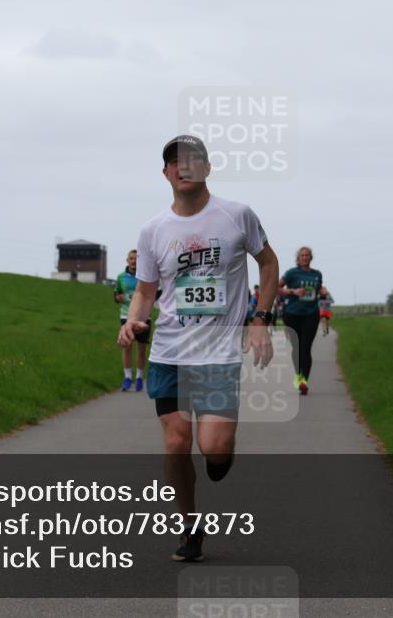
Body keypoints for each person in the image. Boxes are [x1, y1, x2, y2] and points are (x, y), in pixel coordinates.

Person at [118, 134, 278, 562]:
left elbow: (268, 263)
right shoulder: (154, 230)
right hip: (169, 352)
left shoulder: (237, 216)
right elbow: (146, 290)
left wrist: (260, 319)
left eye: (193, 160)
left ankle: (221, 456)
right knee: (176, 443)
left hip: (218, 355)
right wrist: (133, 319)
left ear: (207, 168)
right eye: (175, 161)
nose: (183, 167)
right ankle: (190, 529)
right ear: (166, 173)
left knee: (214, 448)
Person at [279, 247, 326, 395]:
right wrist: (293, 291)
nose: (305, 257)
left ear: (311, 257)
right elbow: (277, 287)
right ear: (298, 258)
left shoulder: (317, 274)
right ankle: (298, 375)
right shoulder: (291, 273)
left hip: (311, 314)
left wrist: (322, 292)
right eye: (302, 255)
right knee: (296, 347)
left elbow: (318, 290)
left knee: (305, 348)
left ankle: (303, 381)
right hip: (292, 314)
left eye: (307, 255)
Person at [115, 249, 151, 391]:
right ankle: (127, 377)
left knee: (141, 348)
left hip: (144, 317)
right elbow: (116, 294)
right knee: (127, 346)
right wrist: (118, 298)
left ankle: (139, 378)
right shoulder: (121, 277)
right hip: (126, 316)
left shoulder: (145, 276)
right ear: (127, 260)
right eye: (131, 258)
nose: (134, 261)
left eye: (136, 259)